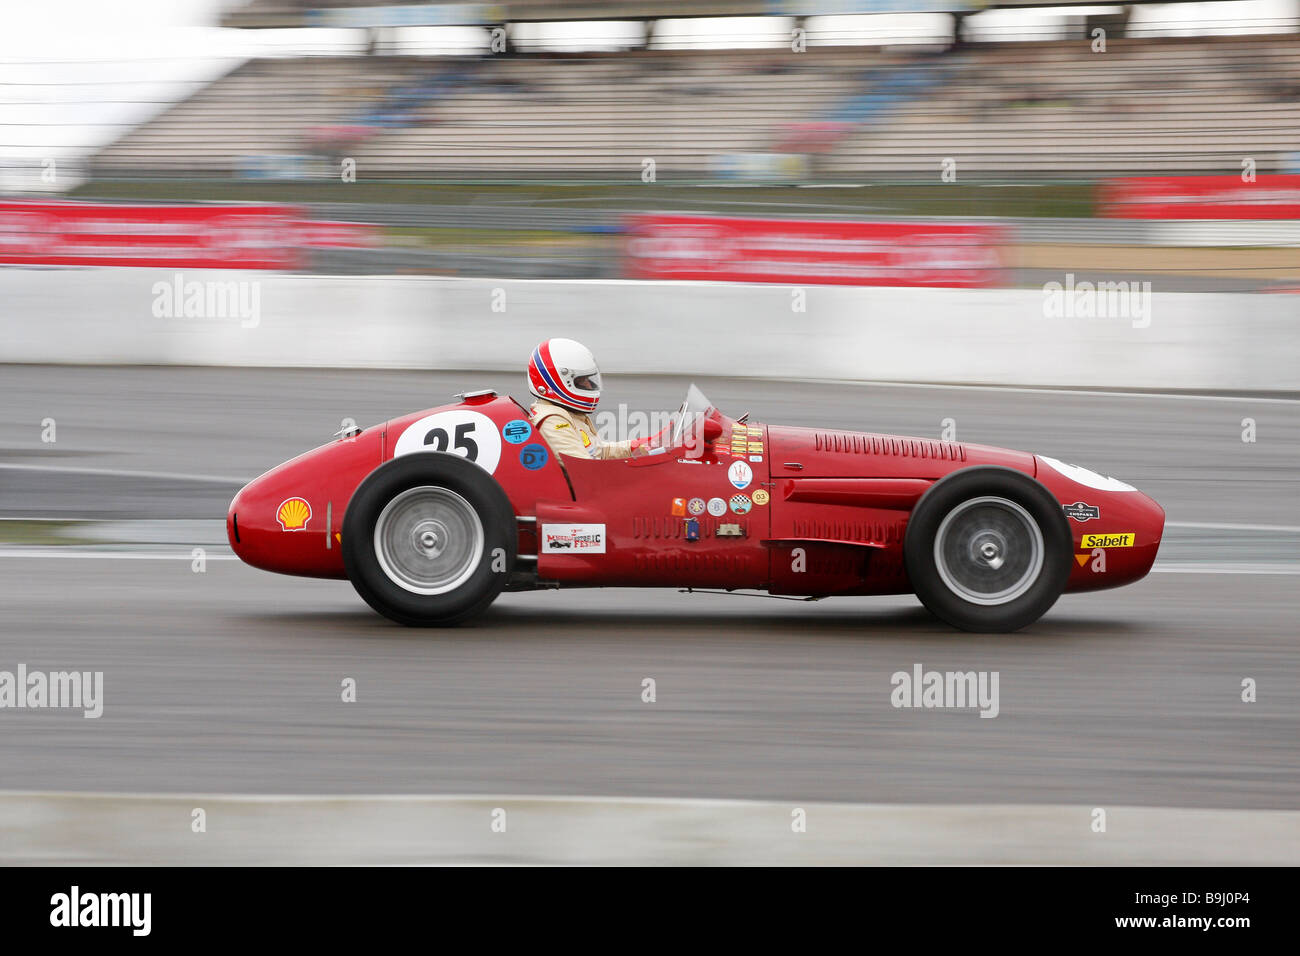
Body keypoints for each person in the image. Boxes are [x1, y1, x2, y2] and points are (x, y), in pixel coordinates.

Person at [527, 338, 645, 460]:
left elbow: (598, 452)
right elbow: (585, 470)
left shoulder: (567, 413)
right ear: (556, 381)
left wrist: (635, 446)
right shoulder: (553, 421)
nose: (589, 385)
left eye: (588, 379)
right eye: (581, 381)